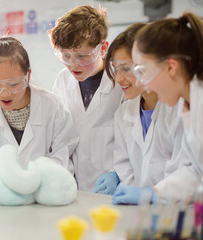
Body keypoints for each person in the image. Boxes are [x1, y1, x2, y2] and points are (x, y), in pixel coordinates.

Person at [91, 23, 195, 204]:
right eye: (116, 69)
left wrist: (154, 195)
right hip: (145, 212)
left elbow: (192, 171)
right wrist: (126, 185)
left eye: (128, 69)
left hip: (177, 210)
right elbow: (125, 165)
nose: (118, 79)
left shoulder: (183, 106)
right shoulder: (125, 110)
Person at [115, 12, 203, 204]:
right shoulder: (191, 104)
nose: (144, 85)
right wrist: (155, 193)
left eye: (142, 71)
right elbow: (195, 169)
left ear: (171, 67)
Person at [0, 37, 78, 182]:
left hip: (48, 190)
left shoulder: (53, 106)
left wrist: (34, 179)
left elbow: (62, 156)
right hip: (5, 192)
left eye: (14, 84)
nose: (4, 93)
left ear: (27, 77)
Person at [49, 5, 123, 190]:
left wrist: (117, 173)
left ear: (103, 48)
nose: (73, 64)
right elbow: (59, 136)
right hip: (73, 188)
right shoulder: (63, 80)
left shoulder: (121, 82)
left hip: (113, 188)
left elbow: (133, 140)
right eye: (65, 56)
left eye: (82, 56)